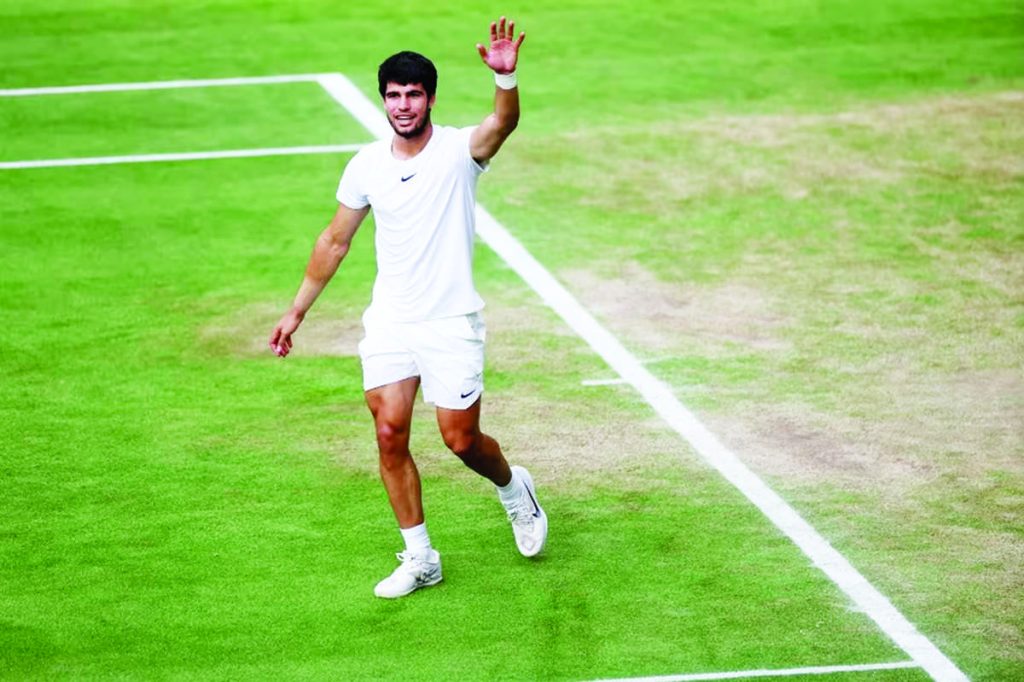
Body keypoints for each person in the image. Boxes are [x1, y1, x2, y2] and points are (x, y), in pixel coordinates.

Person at [268, 17, 546, 599]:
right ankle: (422, 557)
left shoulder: (458, 151)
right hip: (391, 322)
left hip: (450, 322)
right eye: (393, 95)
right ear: (384, 100)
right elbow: (334, 241)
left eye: (413, 94)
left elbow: (503, 123)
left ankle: (514, 489)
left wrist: (507, 76)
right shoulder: (366, 164)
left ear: (430, 99)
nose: (402, 104)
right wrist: (297, 311)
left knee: (460, 441)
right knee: (390, 432)